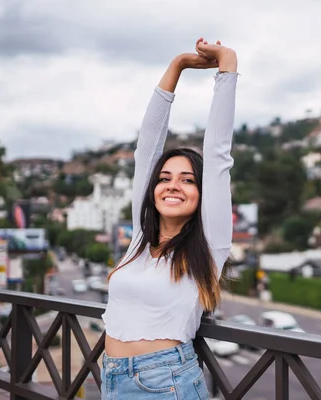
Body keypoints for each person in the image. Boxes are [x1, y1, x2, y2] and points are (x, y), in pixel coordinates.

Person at [100, 37, 238, 399]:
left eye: (188, 180)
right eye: (165, 179)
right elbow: (146, 148)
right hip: (111, 378)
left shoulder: (210, 247)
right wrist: (177, 65)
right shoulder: (139, 242)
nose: (173, 186)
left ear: (202, 192)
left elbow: (219, 153)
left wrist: (227, 64)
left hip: (166, 383)